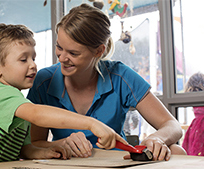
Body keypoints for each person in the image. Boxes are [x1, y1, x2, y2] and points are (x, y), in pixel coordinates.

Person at [27, 3, 187, 161]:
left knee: (176, 151)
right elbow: (33, 144)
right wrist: (63, 143)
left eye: (73, 53)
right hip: (68, 162)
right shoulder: (44, 81)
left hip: (116, 160)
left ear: (99, 51)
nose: (61, 58)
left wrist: (157, 139)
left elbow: (172, 125)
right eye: (59, 47)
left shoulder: (120, 76)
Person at [0, 23, 126, 166]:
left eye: (33, 58)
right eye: (23, 59)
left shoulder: (18, 102)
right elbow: (37, 114)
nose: (33, 65)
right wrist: (90, 123)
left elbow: (24, 148)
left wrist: (44, 151)